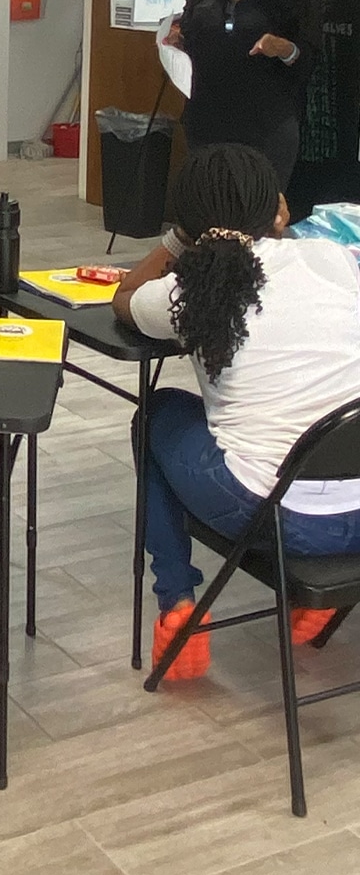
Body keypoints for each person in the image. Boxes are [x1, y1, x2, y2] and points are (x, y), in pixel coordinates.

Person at [112, 143, 360, 678]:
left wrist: (178, 241)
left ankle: (178, 606)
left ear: (188, 224)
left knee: (155, 414)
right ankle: (324, 599)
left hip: (278, 516)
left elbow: (126, 295)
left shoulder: (187, 291)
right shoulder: (335, 260)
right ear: (278, 206)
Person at [166, 0, 323, 190]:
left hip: (266, 127)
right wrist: (176, 39)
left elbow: (309, 58)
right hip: (207, 121)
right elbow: (189, 29)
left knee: (257, 220)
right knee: (210, 216)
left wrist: (284, 48)